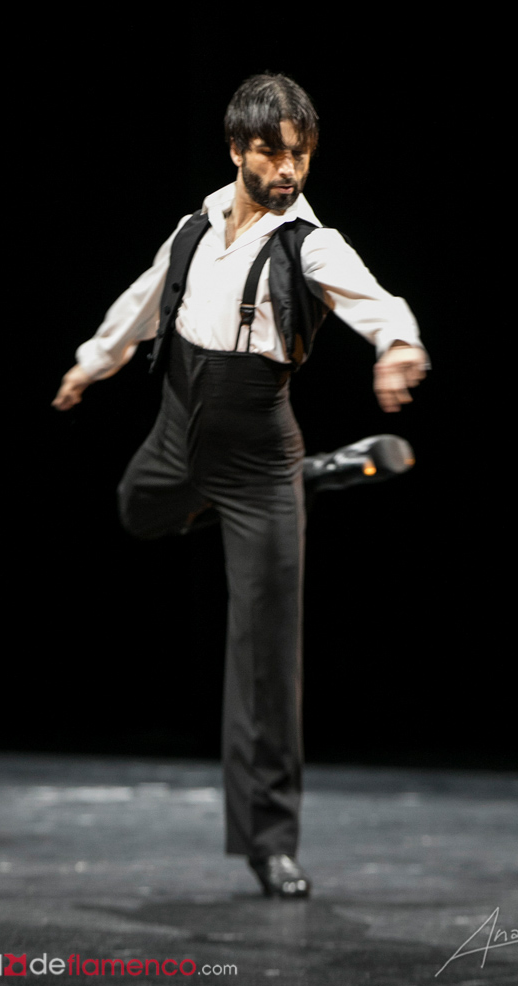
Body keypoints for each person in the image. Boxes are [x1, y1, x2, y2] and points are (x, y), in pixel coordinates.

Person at [52, 73, 428, 898]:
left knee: (265, 653)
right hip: (177, 427)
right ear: (236, 150)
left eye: (301, 154)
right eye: (271, 152)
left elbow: (375, 299)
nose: (288, 169)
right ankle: (316, 478)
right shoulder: (195, 226)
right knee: (138, 512)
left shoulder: (309, 244)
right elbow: (144, 301)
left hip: (257, 450)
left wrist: (397, 343)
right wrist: (92, 363)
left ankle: (270, 841)